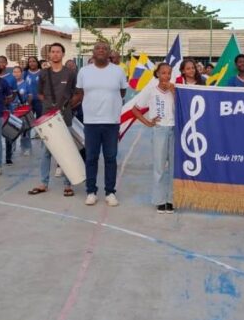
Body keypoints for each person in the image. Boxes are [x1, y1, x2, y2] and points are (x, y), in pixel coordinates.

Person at [75, 41, 128, 206]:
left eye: (104, 48)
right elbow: (80, 92)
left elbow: (122, 91)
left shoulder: (118, 71)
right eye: (98, 48)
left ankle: (110, 192)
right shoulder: (84, 71)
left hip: (112, 121)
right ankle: (91, 191)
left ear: (109, 52)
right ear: (93, 52)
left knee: (110, 157)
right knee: (91, 157)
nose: (101, 50)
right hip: (91, 121)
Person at [28, 42, 79, 197]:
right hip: (47, 118)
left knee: (66, 150)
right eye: (53, 52)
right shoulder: (43, 74)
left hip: (65, 116)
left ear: (63, 54)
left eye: (58, 51)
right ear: (49, 55)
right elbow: (40, 94)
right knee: (46, 152)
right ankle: (43, 183)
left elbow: (77, 93)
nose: (55, 54)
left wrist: (67, 106)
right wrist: (50, 106)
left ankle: (67, 184)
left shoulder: (70, 73)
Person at [131, 62, 175, 214]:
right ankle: (160, 200)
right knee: (159, 167)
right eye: (163, 73)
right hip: (160, 130)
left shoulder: (174, 89)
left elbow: (183, 108)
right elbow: (135, 109)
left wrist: (174, 92)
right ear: (157, 74)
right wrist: (148, 122)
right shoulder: (151, 89)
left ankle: (171, 199)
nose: (166, 76)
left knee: (174, 167)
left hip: (174, 129)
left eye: (169, 73)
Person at [9, 66, 32, 156]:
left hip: (22, 109)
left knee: (25, 129)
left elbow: (30, 95)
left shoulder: (26, 84)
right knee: (12, 128)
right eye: (14, 72)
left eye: (18, 72)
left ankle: (26, 148)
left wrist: (27, 105)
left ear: (22, 73)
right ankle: (11, 147)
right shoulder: (9, 84)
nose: (16, 74)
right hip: (12, 109)